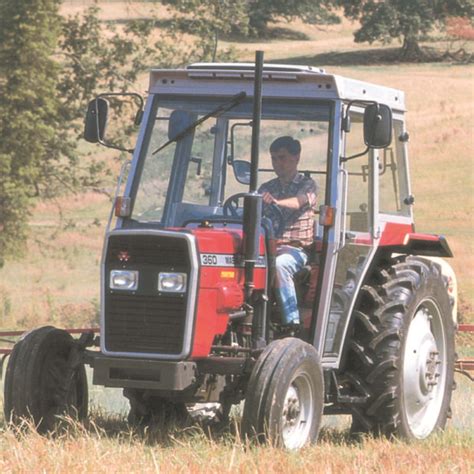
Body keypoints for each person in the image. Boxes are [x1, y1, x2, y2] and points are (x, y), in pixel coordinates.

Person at [258, 136, 318, 328]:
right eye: (274, 158)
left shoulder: (307, 185)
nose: (277, 163)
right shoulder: (267, 187)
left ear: (296, 158)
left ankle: (291, 322)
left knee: (279, 265)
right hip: (267, 248)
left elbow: (298, 202)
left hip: (295, 250)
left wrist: (275, 203)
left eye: (282, 157)